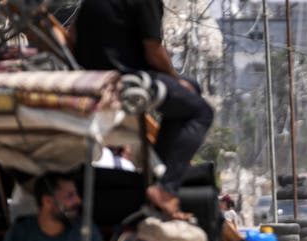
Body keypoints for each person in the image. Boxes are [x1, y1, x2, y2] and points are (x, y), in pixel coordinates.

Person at [68, 0, 214, 220]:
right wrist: (175, 79)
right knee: (200, 111)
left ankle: (160, 178)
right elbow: (153, 52)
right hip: (126, 81)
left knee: (186, 92)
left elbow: (71, 38)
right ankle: (165, 188)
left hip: (92, 78)